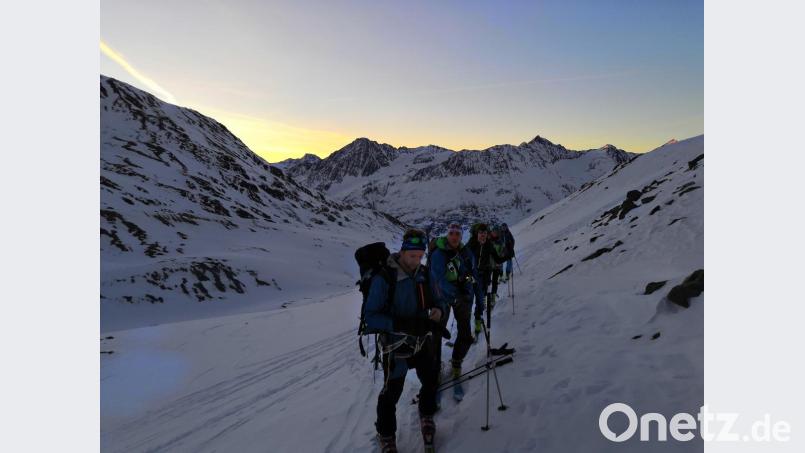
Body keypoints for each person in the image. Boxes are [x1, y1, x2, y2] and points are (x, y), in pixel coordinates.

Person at [363, 229, 445, 453]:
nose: (416, 260)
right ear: (402, 252)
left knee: (430, 380)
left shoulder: (424, 274)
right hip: (395, 345)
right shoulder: (385, 278)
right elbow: (370, 317)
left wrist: (438, 312)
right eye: (412, 256)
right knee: (391, 393)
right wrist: (400, 325)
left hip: (421, 341)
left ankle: (426, 415)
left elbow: (439, 300)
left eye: (420, 256)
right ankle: (386, 434)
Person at [429, 223, 479, 381]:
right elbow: (438, 279)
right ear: (447, 235)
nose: (455, 237)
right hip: (441, 298)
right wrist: (455, 295)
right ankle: (434, 369)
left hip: (461, 297)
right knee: (436, 333)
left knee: (465, 334)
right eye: (452, 233)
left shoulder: (465, 253)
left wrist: (469, 286)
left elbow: (470, 273)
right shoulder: (438, 253)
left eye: (458, 234)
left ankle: (457, 363)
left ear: (461, 236)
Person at [467, 223, 508, 336]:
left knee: (480, 301)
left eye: (485, 233)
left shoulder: (489, 245)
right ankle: (465, 329)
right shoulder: (471, 244)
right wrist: (466, 276)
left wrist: (508, 255)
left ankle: (478, 324)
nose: (483, 235)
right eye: (481, 233)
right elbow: (463, 260)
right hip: (470, 276)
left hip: (484, 276)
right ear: (477, 234)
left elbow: (498, 260)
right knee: (468, 300)